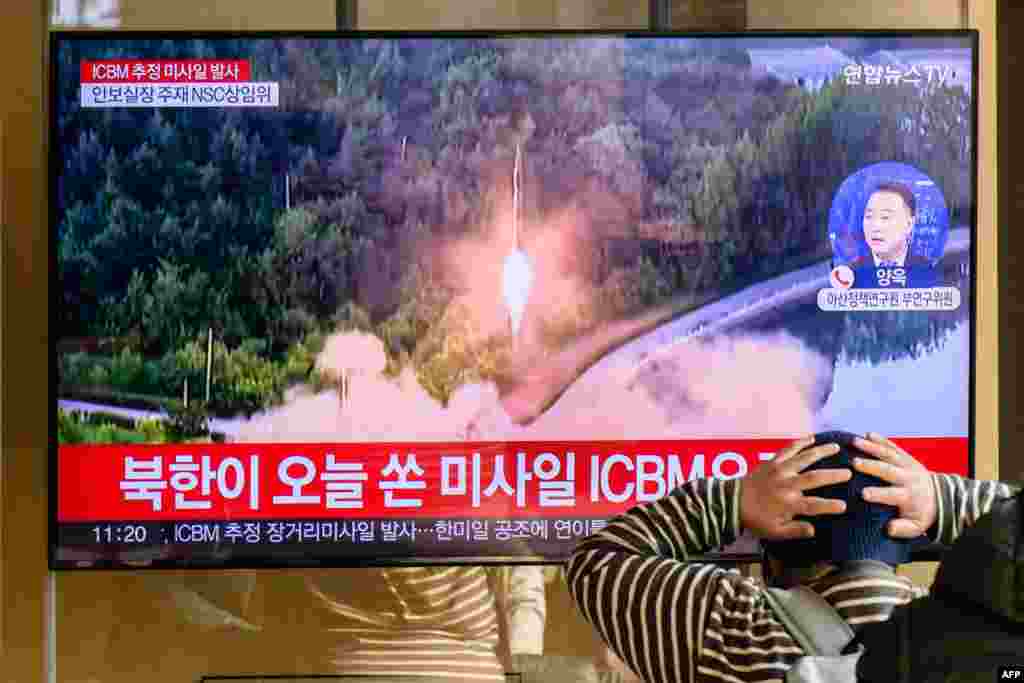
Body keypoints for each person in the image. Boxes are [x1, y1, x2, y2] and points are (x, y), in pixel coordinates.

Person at [565, 431, 1018, 683]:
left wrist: (736, 500)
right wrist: (941, 499)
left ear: (771, 554)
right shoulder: (966, 632)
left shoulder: (723, 631)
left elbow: (597, 560)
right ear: (905, 540)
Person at [847, 182, 939, 289]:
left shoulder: (928, 271)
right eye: (869, 216)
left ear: (909, 224)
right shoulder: (852, 275)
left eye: (885, 217)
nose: (875, 226)